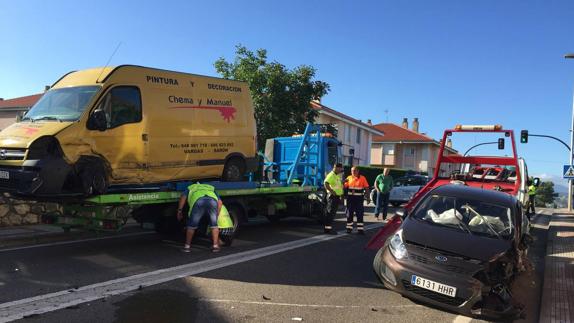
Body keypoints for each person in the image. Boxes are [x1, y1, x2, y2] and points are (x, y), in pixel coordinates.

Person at [177, 182, 222, 253]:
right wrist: (217, 214)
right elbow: (220, 202)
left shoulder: (191, 187)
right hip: (212, 201)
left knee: (191, 226)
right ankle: (215, 246)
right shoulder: (210, 187)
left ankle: (187, 247)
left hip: (199, 201)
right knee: (214, 225)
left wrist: (180, 210)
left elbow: (183, 197)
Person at [344, 166, 370, 234]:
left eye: (354, 170)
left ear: (358, 171)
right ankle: (349, 229)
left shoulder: (362, 178)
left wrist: (368, 198)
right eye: (352, 171)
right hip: (350, 199)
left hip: (359, 199)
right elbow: (344, 187)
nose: (353, 172)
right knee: (349, 214)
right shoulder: (348, 178)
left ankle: (360, 229)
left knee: (359, 213)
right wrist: (343, 183)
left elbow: (367, 188)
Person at [323, 163, 344, 234]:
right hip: (332, 197)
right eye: (340, 168)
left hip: (336, 197)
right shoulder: (331, 175)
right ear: (337, 168)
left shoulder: (336, 176)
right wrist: (332, 191)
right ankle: (328, 230)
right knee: (330, 213)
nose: (341, 170)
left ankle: (328, 228)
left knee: (332, 213)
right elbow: (326, 183)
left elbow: (338, 186)